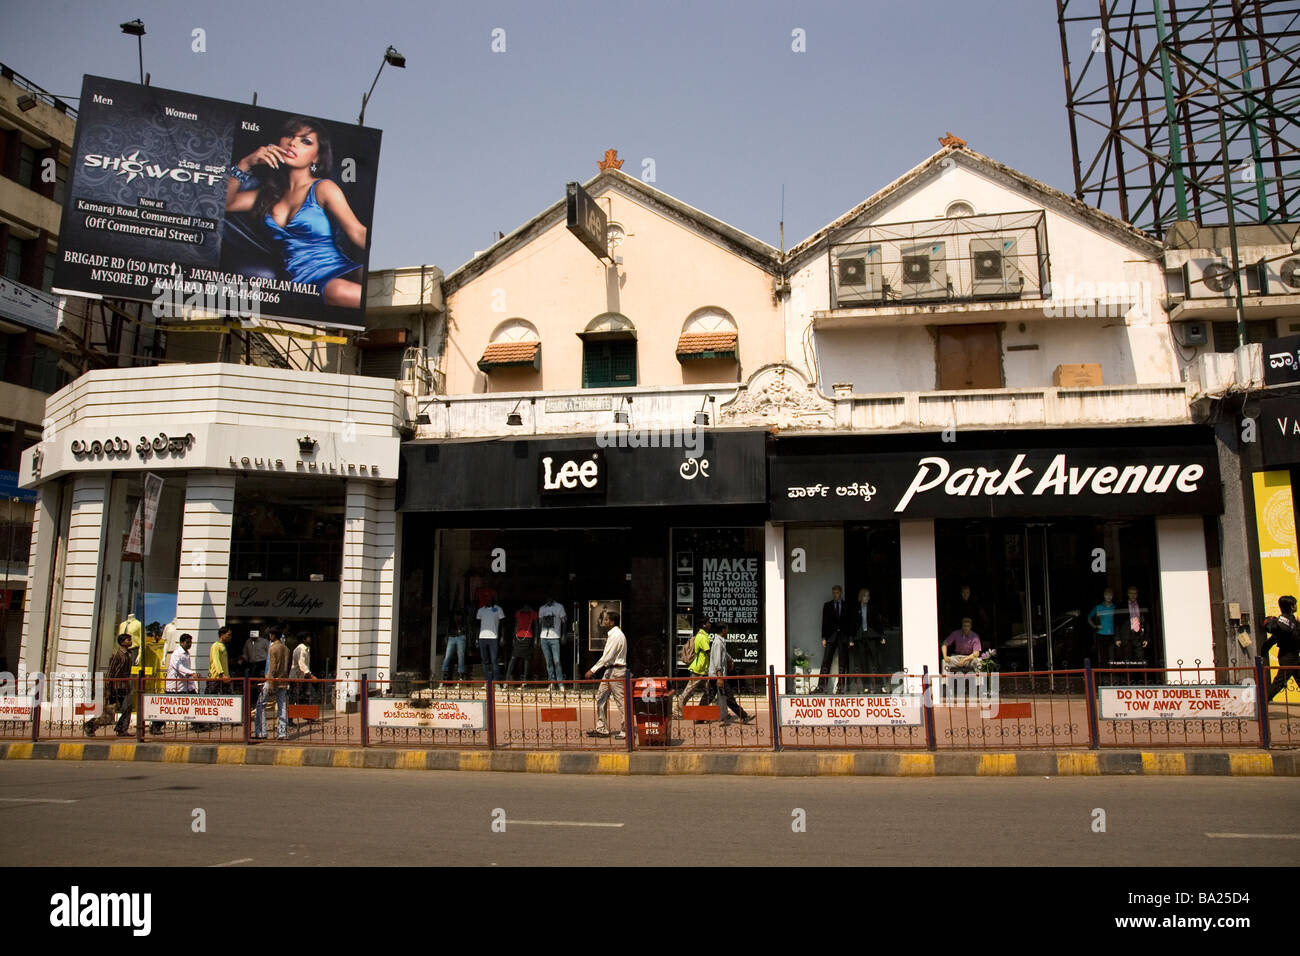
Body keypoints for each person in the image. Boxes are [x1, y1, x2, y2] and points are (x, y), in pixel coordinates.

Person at [225, 116, 369, 309]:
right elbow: (226, 203)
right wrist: (245, 163)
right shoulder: (266, 195)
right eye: (289, 136)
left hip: (340, 267)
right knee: (341, 291)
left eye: (305, 141)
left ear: (316, 157)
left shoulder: (323, 188)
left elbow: (357, 232)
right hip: (302, 281)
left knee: (377, 289)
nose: (293, 143)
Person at [585, 609, 628, 739]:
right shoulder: (613, 634)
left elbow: (607, 656)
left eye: (606, 619)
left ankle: (626, 731)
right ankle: (602, 728)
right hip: (610, 670)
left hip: (616, 671)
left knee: (621, 701)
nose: (604, 621)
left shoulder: (616, 635)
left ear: (612, 622)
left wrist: (593, 670)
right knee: (601, 698)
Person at [702, 623, 755, 725]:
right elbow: (717, 659)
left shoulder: (720, 641)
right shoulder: (718, 642)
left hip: (717, 675)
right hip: (718, 675)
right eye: (726, 629)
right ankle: (743, 716)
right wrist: (719, 675)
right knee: (729, 697)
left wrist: (730, 660)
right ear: (723, 630)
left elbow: (724, 654)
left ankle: (698, 717)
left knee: (709, 696)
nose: (727, 630)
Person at [85, 633, 135, 737]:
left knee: (127, 707)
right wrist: (108, 687)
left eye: (130, 639)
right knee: (109, 713)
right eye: (128, 640)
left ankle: (121, 729)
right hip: (115, 687)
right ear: (122, 642)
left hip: (124, 686)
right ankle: (91, 725)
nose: (130, 641)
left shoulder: (129, 654)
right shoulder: (117, 655)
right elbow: (111, 671)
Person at [154, 634, 197, 734]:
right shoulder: (177, 653)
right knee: (168, 708)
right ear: (181, 642)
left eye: (190, 642)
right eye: (187, 642)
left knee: (194, 703)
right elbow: (178, 667)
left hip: (185, 685)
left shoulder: (186, 653)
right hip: (174, 686)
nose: (189, 644)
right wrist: (191, 673)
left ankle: (198, 725)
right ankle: (155, 726)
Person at [1260, 594, 1300, 703]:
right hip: (1288, 657)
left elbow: (1271, 640)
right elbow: (1274, 639)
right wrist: (1263, 654)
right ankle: (1261, 703)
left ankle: (1261, 703)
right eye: (1295, 604)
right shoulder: (1286, 623)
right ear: (1291, 607)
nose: (1296, 606)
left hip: (1294, 656)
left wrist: (1263, 652)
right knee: (1279, 682)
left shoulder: (1288, 622)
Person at [672, 618, 713, 719]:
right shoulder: (702, 637)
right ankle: (677, 710)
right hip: (699, 669)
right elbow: (708, 653)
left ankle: (706, 713)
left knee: (706, 690)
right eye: (708, 623)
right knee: (689, 690)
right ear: (704, 625)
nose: (710, 624)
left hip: (702, 668)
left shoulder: (702, 635)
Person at [817, 585, 854, 694]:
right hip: (831, 637)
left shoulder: (846, 605)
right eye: (834, 593)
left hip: (843, 637)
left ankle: (841, 686)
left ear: (841, 593)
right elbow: (824, 622)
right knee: (826, 661)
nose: (835, 595)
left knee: (843, 662)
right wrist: (823, 637)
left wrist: (850, 638)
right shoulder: (827, 605)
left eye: (837, 592)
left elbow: (850, 623)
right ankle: (822, 686)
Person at [855, 588, 891, 693]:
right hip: (860, 637)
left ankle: (880, 686)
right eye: (866, 596)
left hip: (872, 636)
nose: (868, 598)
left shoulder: (872, 608)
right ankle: (866, 686)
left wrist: (882, 636)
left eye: (869, 596)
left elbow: (878, 623)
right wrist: (851, 638)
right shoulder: (856, 608)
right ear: (862, 597)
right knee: (863, 662)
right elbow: (853, 624)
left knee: (876, 661)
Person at [538, 597, 567, 691]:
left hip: (555, 637)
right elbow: (540, 623)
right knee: (548, 662)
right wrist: (539, 637)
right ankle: (551, 682)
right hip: (544, 637)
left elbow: (564, 622)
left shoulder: (559, 607)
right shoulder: (542, 608)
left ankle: (560, 683)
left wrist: (563, 635)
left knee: (557, 661)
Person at [476, 599, 505, 683]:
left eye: (490, 597)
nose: (488, 599)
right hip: (482, 638)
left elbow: (503, 624)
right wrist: (476, 639)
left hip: (493, 637)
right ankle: (487, 681)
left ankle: (496, 682)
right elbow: (477, 626)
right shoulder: (481, 610)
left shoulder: (498, 609)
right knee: (485, 661)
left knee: (494, 660)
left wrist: (502, 637)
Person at [1087, 587, 1118, 662]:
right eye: (1106, 594)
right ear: (1104, 595)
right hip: (1100, 635)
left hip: (1112, 635)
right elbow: (1089, 617)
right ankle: (1103, 673)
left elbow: (1118, 621)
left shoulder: (1115, 607)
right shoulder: (1098, 607)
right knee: (1102, 656)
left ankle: (1112, 673)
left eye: (1110, 595)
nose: (1108, 596)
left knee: (1112, 656)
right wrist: (1095, 626)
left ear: (1113, 596)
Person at [291, 633, 314, 721]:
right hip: (297, 677)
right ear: (304, 639)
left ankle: (307, 716)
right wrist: (310, 675)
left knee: (306, 696)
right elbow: (302, 664)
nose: (310, 639)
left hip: (303, 676)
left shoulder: (306, 649)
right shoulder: (301, 649)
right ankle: (290, 719)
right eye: (308, 637)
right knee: (294, 698)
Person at [441, 610, 469, 685]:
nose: (457, 617)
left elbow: (465, 628)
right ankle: (444, 674)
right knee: (447, 656)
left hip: (460, 637)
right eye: (456, 616)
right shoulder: (451, 618)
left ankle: (460, 675)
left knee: (460, 656)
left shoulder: (464, 619)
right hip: (452, 637)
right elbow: (448, 627)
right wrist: (446, 636)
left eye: (459, 616)